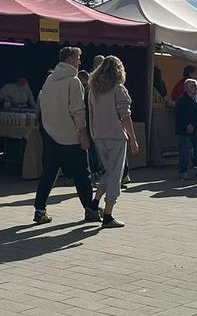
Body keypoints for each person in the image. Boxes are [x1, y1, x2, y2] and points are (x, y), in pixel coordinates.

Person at [33, 46, 101, 225]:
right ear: (70, 59)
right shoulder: (74, 81)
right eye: (78, 58)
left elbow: (43, 107)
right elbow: (78, 111)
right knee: (82, 175)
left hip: (50, 135)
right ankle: (90, 210)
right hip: (71, 137)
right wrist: (84, 135)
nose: (80, 61)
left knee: (48, 174)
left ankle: (39, 210)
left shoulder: (49, 80)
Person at [87, 55, 139, 227]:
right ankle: (108, 214)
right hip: (116, 135)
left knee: (108, 172)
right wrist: (133, 139)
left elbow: (91, 114)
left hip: (99, 135)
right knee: (115, 175)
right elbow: (125, 116)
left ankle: (94, 204)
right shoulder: (118, 89)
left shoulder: (93, 90)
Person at [174, 78, 197, 179]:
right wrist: (187, 124)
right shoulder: (181, 100)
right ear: (186, 88)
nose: (196, 88)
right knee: (184, 151)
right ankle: (183, 171)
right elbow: (178, 115)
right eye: (193, 86)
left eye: (196, 86)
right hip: (184, 130)